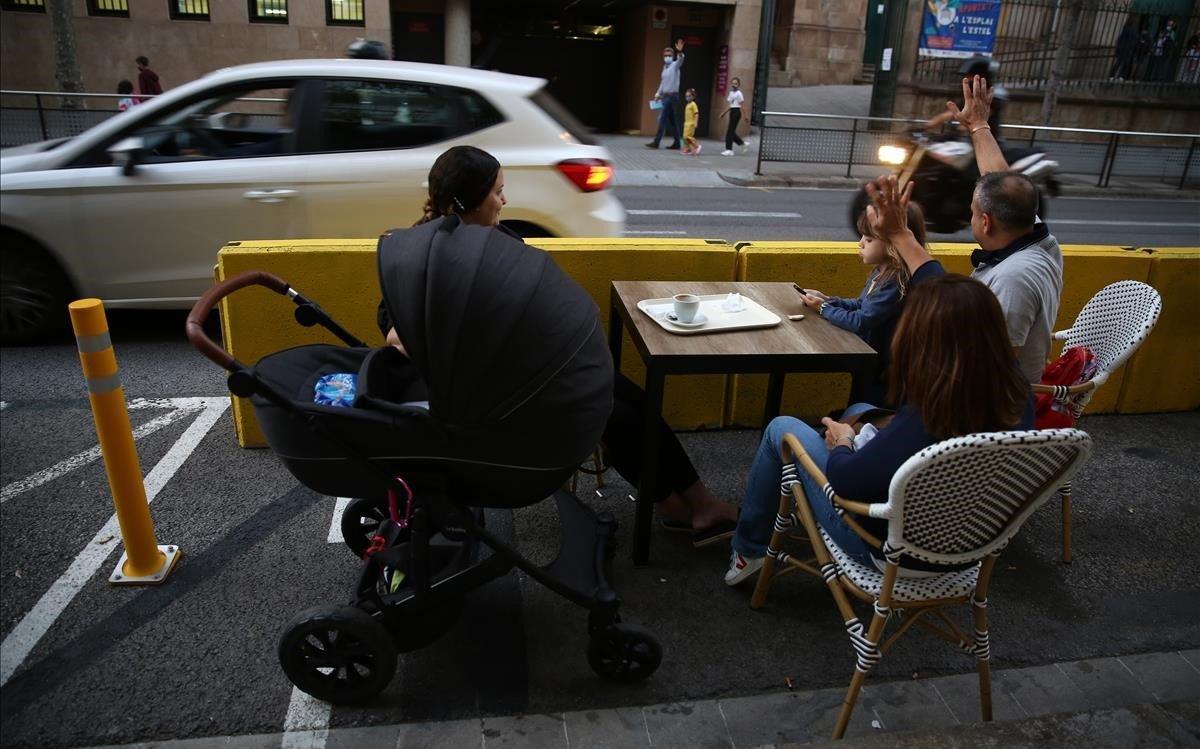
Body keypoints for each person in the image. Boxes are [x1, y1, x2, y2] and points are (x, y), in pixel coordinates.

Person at [379, 146, 739, 544]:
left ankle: (692, 501)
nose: (505, 199)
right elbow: (396, 333)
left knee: (628, 395)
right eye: (497, 191)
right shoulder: (429, 257)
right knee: (612, 414)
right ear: (468, 201)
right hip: (490, 403)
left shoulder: (496, 238)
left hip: (527, 377)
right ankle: (679, 503)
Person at [725, 273, 1034, 584]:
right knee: (860, 412)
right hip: (972, 545)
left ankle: (749, 549)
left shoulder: (929, 415)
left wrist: (843, 444)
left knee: (782, 428)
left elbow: (846, 482)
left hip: (885, 548)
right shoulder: (1016, 393)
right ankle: (800, 487)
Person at [879, 75, 1064, 384]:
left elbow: (986, 367)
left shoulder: (1011, 280)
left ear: (987, 222)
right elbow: (999, 181)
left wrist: (899, 234)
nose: (972, 217)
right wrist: (978, 125)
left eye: (974, 213)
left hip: (984, 409)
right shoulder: (1037, 238)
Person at [796, 201, 928, 406]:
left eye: (868, 239)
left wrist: (822, 308)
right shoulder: (881, 272)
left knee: (867, 408)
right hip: (869, 358)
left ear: (893, 243)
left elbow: (861, 320)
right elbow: (861, 304)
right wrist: (828, 300)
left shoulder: (896, 281)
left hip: (883, 369)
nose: (860, 243)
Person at [924, 55, 1005, 139]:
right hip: (976, 143)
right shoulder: (973, 95)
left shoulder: (993, 96)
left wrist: (952, 133)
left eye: (969, 76)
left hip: (989, 145)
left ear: (980, 76)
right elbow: (950, 114)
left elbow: (974, 121)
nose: (965, 79)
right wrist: (925, 127)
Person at [646, 38, 685, 150]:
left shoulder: (675, 66)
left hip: (672, 96)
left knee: (662, 118)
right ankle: (677, 143)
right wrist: (658, 94)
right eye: (665, 55)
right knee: (673, 121)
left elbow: (681, 60)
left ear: (672, 56)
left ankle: (656, 142)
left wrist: (680, 52)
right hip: (665, 96)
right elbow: (663, 83)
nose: (667, 57)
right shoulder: (665, 67)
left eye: (669, 55)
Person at [720, 77, 748, 156]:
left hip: (736, 112)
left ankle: (729, 149)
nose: (734, 85)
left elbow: (742, 104)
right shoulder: (731, 93)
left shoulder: (739, 93)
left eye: (736, 83)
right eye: (733, 83)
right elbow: (730, 105)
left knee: (730, 131)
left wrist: (745, 116)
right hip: (732, 111)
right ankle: (743, 143)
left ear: (738, 85)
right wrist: (724, 113)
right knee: (731, 131)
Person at [681, 88, 701, 155]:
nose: (687, 97)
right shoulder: (688, 104)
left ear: (693, 96)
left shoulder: (693, 104)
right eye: (686, 96)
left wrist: (696, 122)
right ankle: (688, 148)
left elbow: (696, 113)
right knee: (684, 137)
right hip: (686, 123)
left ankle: (697, 146)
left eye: (689, 96)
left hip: (691, 123)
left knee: (688, 136)